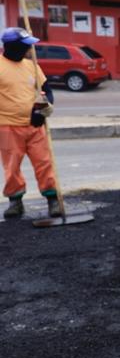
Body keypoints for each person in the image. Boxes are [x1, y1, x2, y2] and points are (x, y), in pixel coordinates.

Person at [0, 27, 61, 218]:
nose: (30, 49)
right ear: (12, 47)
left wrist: (44, 108)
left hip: (35, 124)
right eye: (26, 46)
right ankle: (16, 202)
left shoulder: (32, 65)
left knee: (44, 163)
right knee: (12, 167)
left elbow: (46, 89)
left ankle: (53, 201)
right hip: (8, 126)